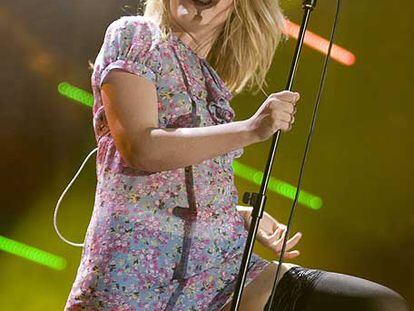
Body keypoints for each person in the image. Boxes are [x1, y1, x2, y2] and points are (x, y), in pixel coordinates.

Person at [64, 0, 411, 310]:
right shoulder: (135, 36)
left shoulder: (210, 79)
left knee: (377, 305)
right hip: (135, 277)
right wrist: (251, 128)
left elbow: (180, 180)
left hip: (221, 269)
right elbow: (141, 147)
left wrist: (237, 213)